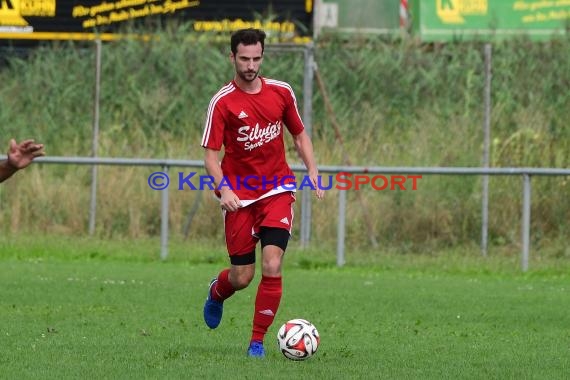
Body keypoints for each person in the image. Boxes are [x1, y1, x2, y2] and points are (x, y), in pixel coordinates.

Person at [200, 28, 325, 358]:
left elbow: (299, 136)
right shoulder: (222, 102)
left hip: (278, 190)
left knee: (272, 264)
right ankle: (217, 292)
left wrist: (312, 171)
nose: (250, 65)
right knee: (242, 277)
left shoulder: (281, 92)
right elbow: (211, 156)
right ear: (232, 57)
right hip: (239, 197)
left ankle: (257, 342)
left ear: (262, 57)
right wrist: (223, 188)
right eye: (244, 58)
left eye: (256, 58)